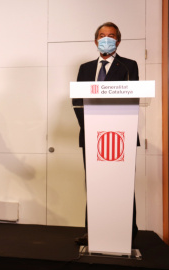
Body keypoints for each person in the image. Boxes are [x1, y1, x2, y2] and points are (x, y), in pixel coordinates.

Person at [73, 22, 139, 246]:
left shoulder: (129, 66)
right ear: (95, 41)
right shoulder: (85, 68)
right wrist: (90, 127)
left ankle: (127, 230)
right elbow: (77, 101)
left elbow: (133, 98)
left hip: (122, 136)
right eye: (102, 35)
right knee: (93, 184)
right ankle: (92, 231)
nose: (106, 39)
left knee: (122, 183)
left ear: (118, 41)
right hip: (92, 137)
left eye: (111, 36)